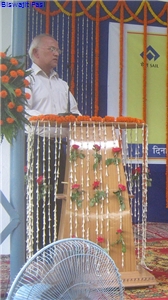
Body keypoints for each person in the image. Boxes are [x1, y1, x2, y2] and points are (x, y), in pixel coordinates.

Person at [24, 34, 81, 251]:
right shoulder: (26, 80)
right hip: (37, 146)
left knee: (61, 197)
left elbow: (75, 112)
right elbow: (24, 113)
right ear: (36, 53)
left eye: (58, 49)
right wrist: (53, 120)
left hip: (61, 147)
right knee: (40, 198)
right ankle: (37, 249)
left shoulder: (62, 84)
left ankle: (58, 246)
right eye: (51, 49)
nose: (56, 53)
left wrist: (74, 120)